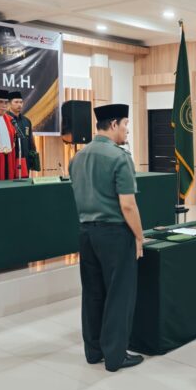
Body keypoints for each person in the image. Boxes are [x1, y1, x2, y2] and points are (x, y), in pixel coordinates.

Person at [69, 103, 145, 372]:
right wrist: (139, 237)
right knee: (118, 294)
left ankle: (93, 351)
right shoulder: (119, 157)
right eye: (125, 125)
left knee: (92, 293)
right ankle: (115, 356)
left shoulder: (78, 157)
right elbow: (128, 205)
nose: (127, 131)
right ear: (113, 124)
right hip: (114, 234)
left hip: (86, 233)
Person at [7, 90, 39, 177]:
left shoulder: (26, 121)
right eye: (16, 102)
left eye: (21, 102)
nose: (19, 105)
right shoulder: (5, 119)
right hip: (11, 159)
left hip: (25, 159)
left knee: (24, 181)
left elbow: (30, 140)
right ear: (9, 104)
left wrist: (33, 157)